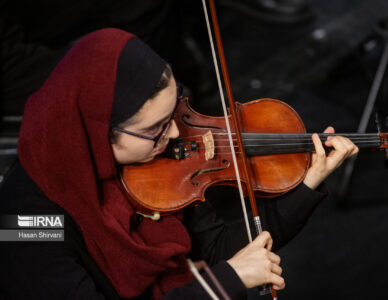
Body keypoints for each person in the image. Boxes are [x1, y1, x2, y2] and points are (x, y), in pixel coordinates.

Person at [0, 28, 358, 299]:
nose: (174, 134)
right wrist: (224, 283)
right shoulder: (22, 221)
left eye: (173, 113)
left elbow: (221, 251)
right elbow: (229, 270)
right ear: (96, 132)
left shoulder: (163, 164)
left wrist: (306, 186)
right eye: (154, 128)